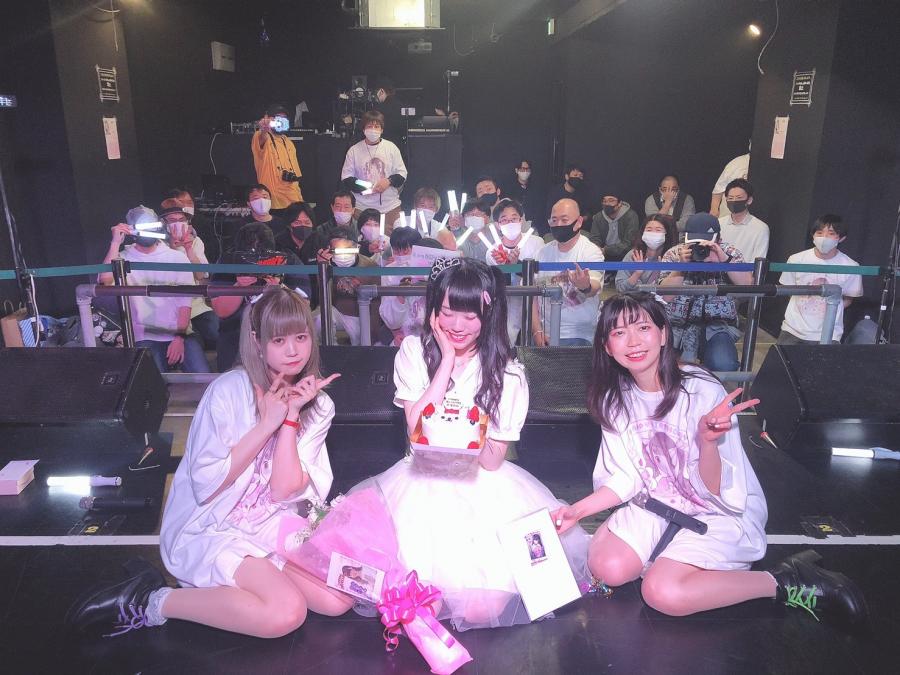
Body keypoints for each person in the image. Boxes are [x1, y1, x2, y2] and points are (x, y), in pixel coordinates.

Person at [552, 292, 866, 626]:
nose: (633, 341)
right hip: (657, 506)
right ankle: (673, 559)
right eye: (619, 332)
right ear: (606, 346)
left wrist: (708, 443)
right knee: (607, 568)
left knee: (662, 593)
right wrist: (578, 511)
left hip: (714, 510)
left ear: (663, 334)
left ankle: (783, 580)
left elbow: (716, 488)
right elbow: (625, 477)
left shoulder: (702, 390)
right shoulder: (616, 399)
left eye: (643, 328)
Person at [66, 286, 354, 638]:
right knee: (285, 612)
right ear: (257, 340)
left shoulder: (318, 405)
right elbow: (207, 484)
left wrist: (291, 418)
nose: (293, 351)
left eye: (301, 337)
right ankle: (153, 599)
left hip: (271, 524)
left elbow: (283, 490)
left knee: (338, 598)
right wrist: (266, 425)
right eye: (279, 340)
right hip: (215, 525)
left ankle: (264, 579)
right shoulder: (228, 392)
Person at [351, 258, 589, 631]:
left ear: (488, 313)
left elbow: (492, 462)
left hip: (482, 484)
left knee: (479, 609)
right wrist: (446, 361)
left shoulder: (508, 373)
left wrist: (465, 433)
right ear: (433, 310)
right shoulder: (414, 351)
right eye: (448, 312)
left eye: (470, 315)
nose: (457, 326)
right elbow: (416, 428)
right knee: (412, 591)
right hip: (419, 482)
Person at [99, 206, 210, 374]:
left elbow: (184, 302)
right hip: (144, 336)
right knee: (152, 381)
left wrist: (179, 337)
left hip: (178, 332)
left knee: (202, 375)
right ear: (133, 230)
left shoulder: (176, 258)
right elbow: (104, 280)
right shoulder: (123, 258)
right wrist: (115, 243)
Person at [658, 213, 751, 371]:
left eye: (706, 243)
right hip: (677, 325)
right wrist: (681, 268)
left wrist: (724, 262)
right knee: (664, 367)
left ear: (718, 239)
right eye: (695, 242)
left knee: (724, 364)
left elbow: (747, 286)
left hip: (718, 325)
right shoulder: (675, 254)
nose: (701, 248)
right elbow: (665, 296)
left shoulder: (729, 253)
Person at [210, 223, 309, 372]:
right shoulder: (229, 260)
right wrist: (239, 286)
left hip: (280, 331)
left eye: (261, 256)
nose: (256, 262)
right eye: (250, 257)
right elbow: (221, 311)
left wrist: (280, 287)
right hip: (235, 334)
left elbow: (304, 306)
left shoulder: (286, 260)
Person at [778, 214, 863, 344]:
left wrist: (827, 308)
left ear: (841, 238)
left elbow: (848, 299)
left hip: (830, 333)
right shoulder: (796, 259)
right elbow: (788, 290)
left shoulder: (851, 266)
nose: (824, 237)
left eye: (831, 233)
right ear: (813, 235)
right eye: (819, 232)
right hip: (793, 330)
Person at [533, 198, 604, 346]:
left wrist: (585, 286)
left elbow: (594, 286)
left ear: (578, 222)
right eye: (554, 220)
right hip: (545, 334)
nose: (558, 224)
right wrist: (537, 330)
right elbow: (532, 295)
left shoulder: (591, 252)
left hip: (578, 335)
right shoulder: (542, 253)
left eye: (564, 220)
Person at [160, 198, 218, 350]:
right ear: (164, 224)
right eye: (172, 221)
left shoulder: (196, 241)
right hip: (170, 306)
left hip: (196, 304)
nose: (178, 224)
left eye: (181, 220)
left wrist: (188, 248)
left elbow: (200, 275)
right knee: (193, 343)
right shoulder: (158, 245)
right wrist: (172, 249)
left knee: (216, 332)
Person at [485, 198, 544, 344]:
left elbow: (540, 276)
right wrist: (504, 267)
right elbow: (497, 287)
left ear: (521, 220)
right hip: (508, 307)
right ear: (497, 225)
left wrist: (516, 265)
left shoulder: (537, 242)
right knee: (508, 339)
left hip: (535, 305)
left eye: (514, 218)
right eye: (504, 220)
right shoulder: (493, 251)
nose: (510, 223)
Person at [341, 110, 407, 233]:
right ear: (363, 129)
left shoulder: (391, 148)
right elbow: (346, 178)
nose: (373, 129)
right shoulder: (354, 150)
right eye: (369, 126)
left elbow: (402, 174)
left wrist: (389, 181)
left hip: (390, 208)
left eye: (376, 126)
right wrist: (367, 186)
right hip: (361, 209)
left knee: (393, 241)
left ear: (382, 129)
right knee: (362, 241)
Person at [318, 227, 383, 346]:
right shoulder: (326, 265)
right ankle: (331, 350)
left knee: (363, 344)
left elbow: (376, 304)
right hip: (338, 312)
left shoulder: (370, 266)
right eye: (337, 250)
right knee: (319, 319)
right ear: (329, 249)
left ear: (357, 247)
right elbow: (322, 295)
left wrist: (374, 333)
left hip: (361, 315)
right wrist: (322, 266)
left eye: (348, 250)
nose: (343, 255)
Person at [379, 234, 441, 345]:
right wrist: (400, 294)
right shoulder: (400, 277)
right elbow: (392, 321)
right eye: (396, 251)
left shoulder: (445, 285)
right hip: (406, 340)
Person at [251, 104, 303, 214]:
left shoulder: (288, 142)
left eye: (284, 118)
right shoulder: (261, 136)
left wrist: (300, 200)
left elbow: (296, 176)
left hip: (294, 200)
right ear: (268, 119)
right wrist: (264, 128)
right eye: (278, 117)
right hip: (274, 203)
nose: (281, 121)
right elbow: (262, 136)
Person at [615, 214, 678, 293]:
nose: (653, 233)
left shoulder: (673, 258)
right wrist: (637, 274)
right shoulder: (633, 255)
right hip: (633, 300)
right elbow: (620, 288)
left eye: (658, 230)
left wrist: (660, 275)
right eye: (649, 230)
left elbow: (671, 293)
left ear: (667, 234)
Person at [718, 179, 769, 263]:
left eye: (739, 198)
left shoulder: (760, 228)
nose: (734, 201)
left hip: (746, 271)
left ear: (749, 200)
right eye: (730, 198)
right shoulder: (718, 224)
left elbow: (758, 262)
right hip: (718, 271)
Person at [589, 188, 641, 262]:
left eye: (611, 200)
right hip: (603, 253)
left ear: (620, 203)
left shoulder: (631, 216)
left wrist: (606, 250)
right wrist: (597, 249)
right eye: (604, 201)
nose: (607, 204)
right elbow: (594, 238)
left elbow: (629, 242)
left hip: (625, 254)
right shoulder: (598, 217)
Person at [544, 164, 592, 234]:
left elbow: (587, 214)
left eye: (580, 176)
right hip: (557, 228)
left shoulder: (583, 193)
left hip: (577, 229)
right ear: (567, 176)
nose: (578, 178)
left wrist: (580, 219)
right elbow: (549, 215)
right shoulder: (555, 193)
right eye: (575, 175)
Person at [710, 149, 750, 218]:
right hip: (728, 216)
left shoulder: (768, 164)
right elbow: (718, 189)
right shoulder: (737, 163)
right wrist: (714, 210)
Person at [505, 159, 543, 223]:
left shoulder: (536, 187)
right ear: (516, 170)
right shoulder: (509, 188)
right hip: (516, 221)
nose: (525, 171)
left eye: (527, 169)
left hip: (533, 222)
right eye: (522, 169)